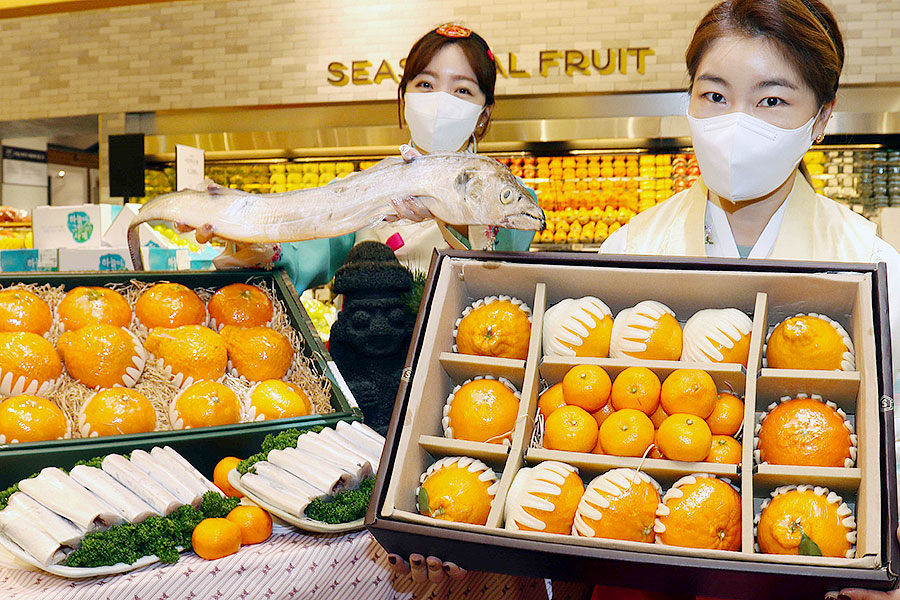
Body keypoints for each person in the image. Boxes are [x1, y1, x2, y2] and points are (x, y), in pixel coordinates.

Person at [599, 0, 900, 384]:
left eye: (771, 101)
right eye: (715, 96)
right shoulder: (628, 252)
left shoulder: (872, 268)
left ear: (821, 117)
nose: (736, 125)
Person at [188, 23, 534, 290]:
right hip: (367, 353)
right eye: (426, 85)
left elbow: (505, 263)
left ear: (484, 114)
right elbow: (302, 250)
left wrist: (452, 215)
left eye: (462, 90)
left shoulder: (511, 197)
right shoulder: (362, 188)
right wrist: (240, 228)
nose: (441, 101)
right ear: (405, 99)